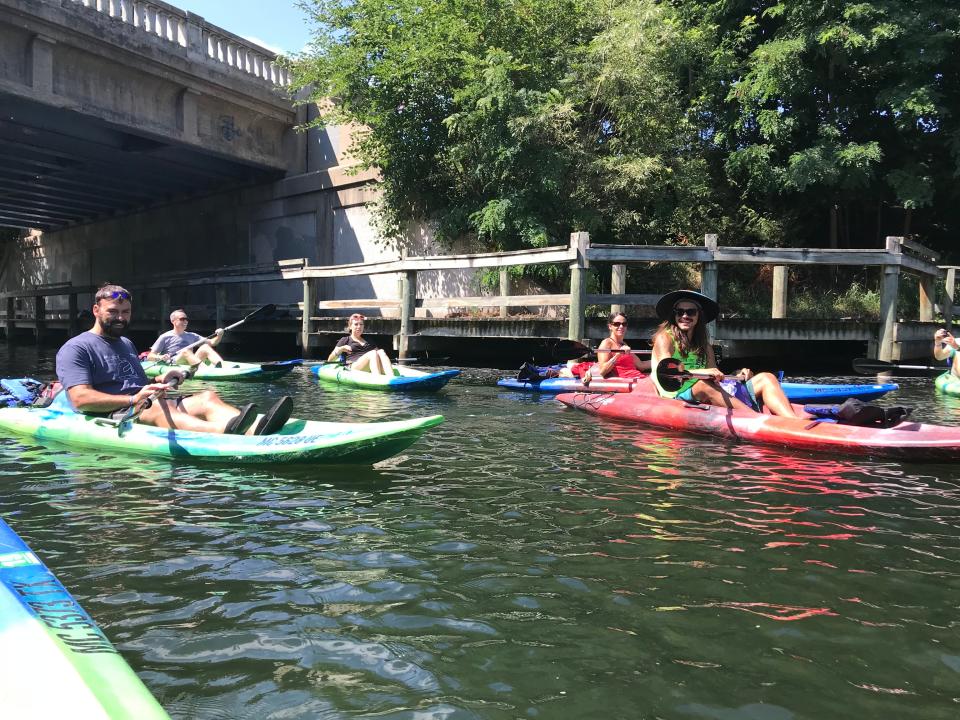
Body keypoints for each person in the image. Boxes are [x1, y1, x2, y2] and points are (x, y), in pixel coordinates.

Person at [55, 285, 292, 435]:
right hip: (116, 412)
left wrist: (162, 378)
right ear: (96, 310)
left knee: (207, 397)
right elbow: (80, 399)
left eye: (125, 312)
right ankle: (232, 433)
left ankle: (252, 426)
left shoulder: (125, 343)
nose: (120, 317)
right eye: (113, 312)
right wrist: (132, 398)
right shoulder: (76, 348)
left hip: (146, 401)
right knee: (158, 409)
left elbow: (134, 379)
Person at [650, 289, 797, 416]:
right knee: (704, 385)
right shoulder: (665, 338)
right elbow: (667, 373)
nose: (684, 316)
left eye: (690, 312)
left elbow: (716, 378)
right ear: (674, 315)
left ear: (698, 316)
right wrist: (704, 372)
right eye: (679, 312)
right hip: (675, 395)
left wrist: (737, 375)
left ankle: (793, 422)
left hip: (704, 389)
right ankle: (755, 418)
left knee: (767, 377)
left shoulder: (705, 347)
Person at [582, 312, 650, 384]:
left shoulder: (624, 344)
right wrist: (618, 354)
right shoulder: (607, 343)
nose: (621, 326)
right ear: (610, 326)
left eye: (624, 324)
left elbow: (641, 365)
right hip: (626, 382)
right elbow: (602, 371)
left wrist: (661, 360)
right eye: (617, 324)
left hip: (638, 378)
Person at [147, 309, 225, 367]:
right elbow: (150, 356)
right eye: (182, 319)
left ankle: (224, 367)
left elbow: (213, 343)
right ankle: (204, 370)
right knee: (185, 351)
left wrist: (219, 335)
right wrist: (160, 357)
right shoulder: (164, 336)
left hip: (190, 361)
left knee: (205, 347)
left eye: (186, 319)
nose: (185, 321)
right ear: (173, 321)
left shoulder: (192, 335)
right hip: (174, 362)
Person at [328, 313, 395, 376]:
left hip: (369, 365)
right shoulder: (345, 340)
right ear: (350, 326)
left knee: (381, 351)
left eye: (361, 324)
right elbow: (330, 360)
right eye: (356, 324)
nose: (359, 327)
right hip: (354, 367)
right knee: (373, 353)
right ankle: (377, 378)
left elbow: (379, 354)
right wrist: (341, 349)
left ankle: (392, 377)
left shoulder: (368, 340)